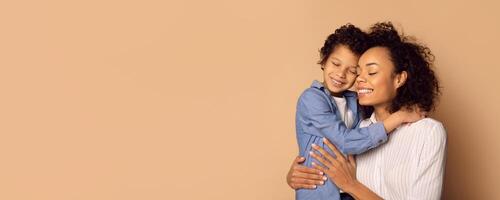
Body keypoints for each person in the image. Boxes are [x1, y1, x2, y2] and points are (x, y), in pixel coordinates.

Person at [288, 22, 446, 200]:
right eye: (360, 72)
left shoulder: (425, 132)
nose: (359, 79)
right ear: (324, 60)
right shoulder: (359, 126)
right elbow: (337, 143)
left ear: (399, 78)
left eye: (370, 72)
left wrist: (351, 185)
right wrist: (296, 172)